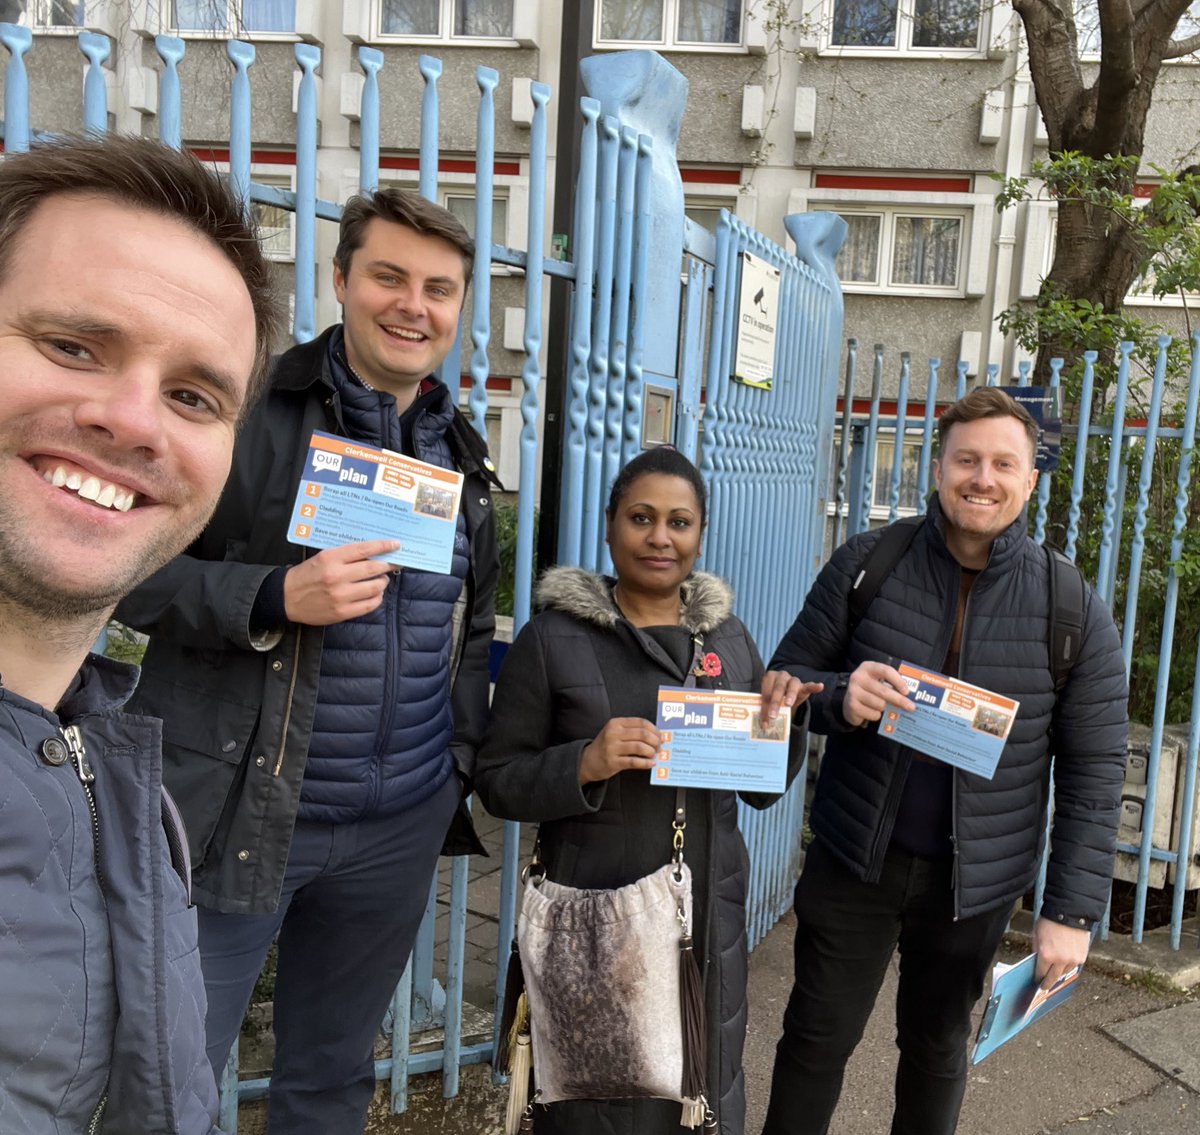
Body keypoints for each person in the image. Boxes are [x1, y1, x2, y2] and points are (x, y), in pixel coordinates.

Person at [116, 188, 500, 1132]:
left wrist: (449, 773)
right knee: (173, 1079)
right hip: (241, 814)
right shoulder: (251, 413)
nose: (414, 305)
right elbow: (128, 574)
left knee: (331, 1080)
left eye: (439, 289)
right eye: (390, 277)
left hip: (397, 826)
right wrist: (271, 596)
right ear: (340, 281)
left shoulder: (458, 450)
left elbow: (473, 627)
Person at [0, 134, 279, 1132]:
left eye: (193, 396)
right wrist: (271, 602)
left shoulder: (114, 774)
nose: (133, 420)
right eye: (74, 345)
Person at [760, 388, 1128, 1135]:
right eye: (967, 459)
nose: (981, 478)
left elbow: (1096, 768)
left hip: (975, 883)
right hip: (855, 859)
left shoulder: (1070, 606)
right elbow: (783, 682)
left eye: (1002, 463)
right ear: (938, 468)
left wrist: (1069, 912)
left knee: (935, 1050)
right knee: (814, 1041)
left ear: (1029, 480)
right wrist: (837, 694)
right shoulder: (867, 562)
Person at [475, 446, 822, 1135]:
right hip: (598, 919)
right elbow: (497, 781)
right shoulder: (553, 640)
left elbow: (758, 793)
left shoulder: (728, 637)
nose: (660, 537)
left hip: (705, 925)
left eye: (679, 522)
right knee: (597, 1102)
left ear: (698, 535)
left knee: (698, 1095)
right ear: (610, 527)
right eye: (641, 517)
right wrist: (585, 762)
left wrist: (788, 720)